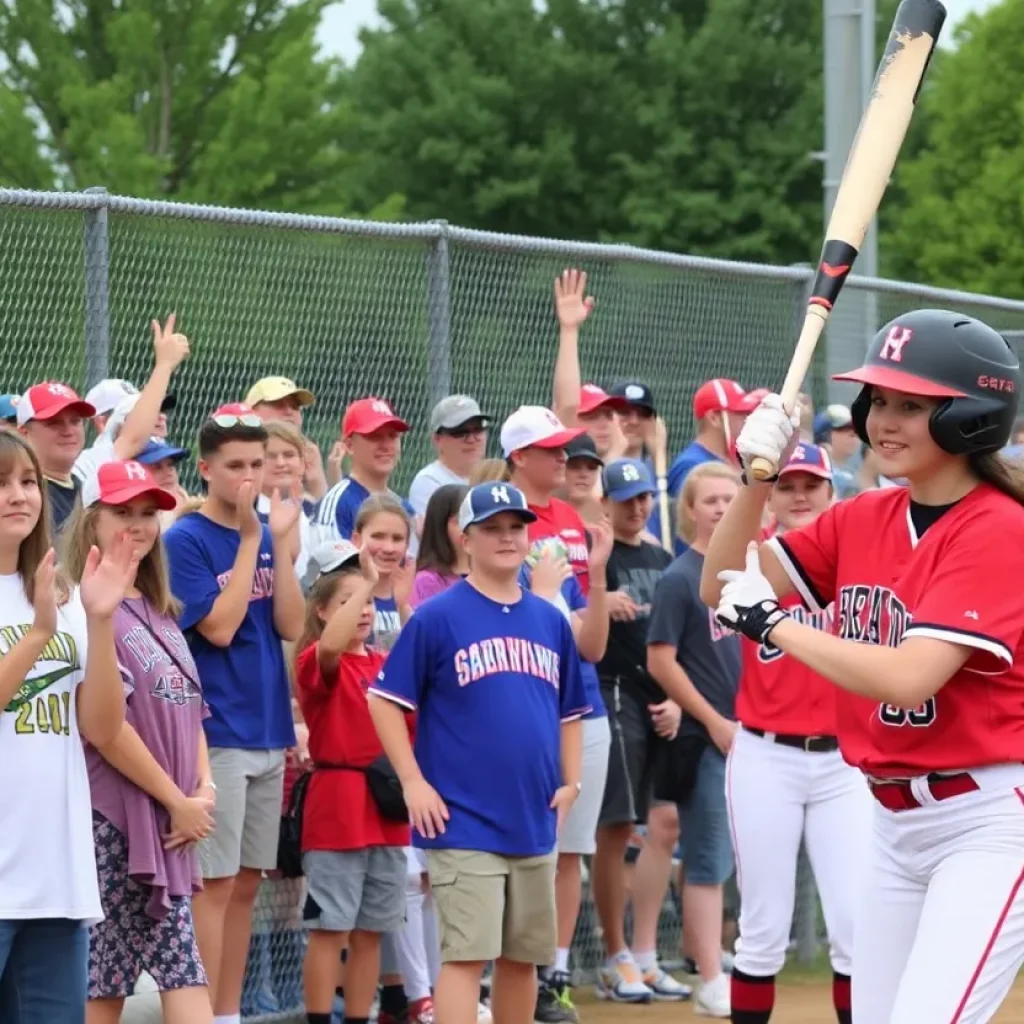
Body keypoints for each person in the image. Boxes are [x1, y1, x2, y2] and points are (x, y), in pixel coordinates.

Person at [701, 309, 1024, 1024]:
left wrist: (776, 625)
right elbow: (720, 583)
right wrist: (756, 474)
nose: (884, 418)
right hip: (890, 823)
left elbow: (910, 676)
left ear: (971, 416)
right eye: (879, 399)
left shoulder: (1000, 528)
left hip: (986, 823)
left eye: (912, 405)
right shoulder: (862, 518)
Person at [367, 482, 589, 1024]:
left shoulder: (549, 619)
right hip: (463, 816)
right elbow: (384, 701)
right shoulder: (438, 615)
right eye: (491, 528)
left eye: (516, 527)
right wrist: (414, 782)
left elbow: (570, 713)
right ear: (465, 539)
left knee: (523, 959)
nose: (506, 537)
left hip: (533, 814)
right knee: (467, 956)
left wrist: (572, 781)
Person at [163, 403, 305, 1024]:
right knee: (214, 886)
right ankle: (200, 1012)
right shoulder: (186, 539)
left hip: (269, 725)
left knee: (248, 882)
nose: (250, 478)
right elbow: (218, 628)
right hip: (217, 729)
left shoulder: (265, 534)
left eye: (258, 464)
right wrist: (252, 539)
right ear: (206, 470)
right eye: (236, 466)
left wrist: (277, 541)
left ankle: (227, 1012)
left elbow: (292, 624)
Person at [62, 460, 215, 1024]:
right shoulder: (84, 606)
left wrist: (203, 786)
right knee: (108, 983)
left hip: (170, 821)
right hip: (116, 820)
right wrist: (176, 800)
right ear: (92, 521)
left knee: (139, 978)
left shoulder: (158, 610)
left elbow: (192, 709)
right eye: (122, 512)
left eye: (147, 512)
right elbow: (105, 729)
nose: (138, 525)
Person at [723, 444, 870, 1024]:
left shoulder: (858, 557)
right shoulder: (752, 558)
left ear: (833, 491)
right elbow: (717, 579)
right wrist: (752, 474)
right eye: (787, 485)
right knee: (761, 928)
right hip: (766, 755)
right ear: (770, 496)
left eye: (813, 484)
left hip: (845, 764)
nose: (802, 495)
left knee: (856, 926)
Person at [0, 431, 137, 1023]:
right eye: (2, 483)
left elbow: (102, 727)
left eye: (28, 481)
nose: (19, 495)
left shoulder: (63, 594)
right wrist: (36, 637)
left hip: (56, 874)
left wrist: (100, 622)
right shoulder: (42, 613)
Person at [500, 406, 611, 1022]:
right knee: (523, 844)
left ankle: (555, 973)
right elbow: (519, 613)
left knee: (572, 848)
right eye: (550, 448)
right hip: (525, 703)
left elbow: (588, 642)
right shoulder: (499, 517)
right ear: (519, 457)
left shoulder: (573, 518)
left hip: (583, 696)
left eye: (565, 446)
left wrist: (592, 584)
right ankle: (512, 970)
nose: (564, 456)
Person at [294, 542, 410, 1024]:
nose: (362, 611)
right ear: (321, 611)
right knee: (331, 930)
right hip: (339, 811)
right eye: (345, 603)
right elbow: (329, 647)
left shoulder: (385, 664)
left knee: (370, 933)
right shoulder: (317, 662)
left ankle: (362, 1017)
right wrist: (367, 580)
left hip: (387, 812)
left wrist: (400, 605)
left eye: (365, 604)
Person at [646, 462, 743, 1019]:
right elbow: (659, 659)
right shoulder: (681, 577)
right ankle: (708, 975)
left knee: (735, 859)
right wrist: (712, 720)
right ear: (690, 508)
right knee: (705, 857)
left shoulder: (752, 572)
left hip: (755, 737)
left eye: (731, 497)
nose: (723, 508)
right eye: (711, 500)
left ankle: (728, 959)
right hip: (711, 739)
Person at [589, 459, 686, 1003]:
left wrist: (676, 696)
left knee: (657, 825)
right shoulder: (595, 555)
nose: (637, 506)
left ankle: (643, 954)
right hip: (613, 693)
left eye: (644, 496)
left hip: (658, 700)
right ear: (605, 502)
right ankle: (614, 952)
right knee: (617, 825)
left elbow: (678, 636)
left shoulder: (660, 556)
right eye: (625, 497)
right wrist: (599, 597)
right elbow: (569, 611)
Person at [74, 317, 188, 484]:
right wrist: (164, 365)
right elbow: (131, 439)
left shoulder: (158, 448)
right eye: (136, 415)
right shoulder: (96, 461)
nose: (151, 418)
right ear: (104, 422)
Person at [650, 378, 756, 553]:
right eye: (739, 414)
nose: (745, 420)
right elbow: (688, 531)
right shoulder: (691, 465)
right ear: (714, 418)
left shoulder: (732, 460)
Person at [313, 398, 417, 551]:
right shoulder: (340, 502)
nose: (386, 445)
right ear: (349, 446)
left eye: (393, 436)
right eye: (375, 436)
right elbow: (328, 571)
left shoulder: (403, 507)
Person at [16, 381, 96, 534]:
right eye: (54, 423)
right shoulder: (26, 495)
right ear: (24, 433)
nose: (68, 431)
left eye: (75, 421)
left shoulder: (84, 487)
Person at [349, 495, 415, 653]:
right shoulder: (345, 595)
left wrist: (401, 606)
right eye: (378, 536)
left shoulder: (405, 600)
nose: (388, 548)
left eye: (397, 539)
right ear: (356, 540)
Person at [408, 396, 490, 516]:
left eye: (478, 430)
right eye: (460, 432)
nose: (472, 439)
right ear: (437, 439)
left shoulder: (495, 476)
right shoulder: (430, 481)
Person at [259, 421, 316, 582]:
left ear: (303, 464)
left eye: (289, 455)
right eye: (270, 456)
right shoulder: (249, 516)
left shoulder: (315, 512)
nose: (281, 463)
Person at [410, 483, 469, 608]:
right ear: (440, 526)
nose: (468, 527)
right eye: (460, 521)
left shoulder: (488, 573)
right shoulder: (428, 580)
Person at [560, 433, 604, 527]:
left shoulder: (607, 518)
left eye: (591, 467)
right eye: (574, 466)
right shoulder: (538, 513)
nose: (583, 475)